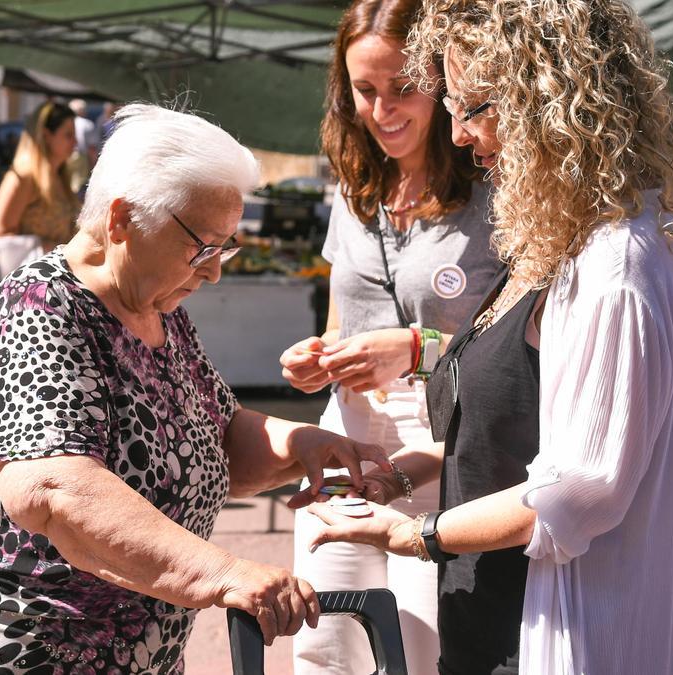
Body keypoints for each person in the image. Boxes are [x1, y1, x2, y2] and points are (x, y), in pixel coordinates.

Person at [0, 104, 392, 675]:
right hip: (12, 646)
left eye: (227, 247)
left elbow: (215, 436)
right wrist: (225, 573)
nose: (216, 270)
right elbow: (53, 487)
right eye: (204, 247)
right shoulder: (39, 308)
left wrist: (306, 446)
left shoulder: (158, 312)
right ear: (121, 219)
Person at [306, 1, 673, 673]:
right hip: (496, 615)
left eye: (475, 107)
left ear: (552, 96)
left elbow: (580, 487)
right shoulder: (568, 235)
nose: (459, 134)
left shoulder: (616, 264)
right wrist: (407, 472)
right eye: (454, 106)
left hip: (554, 628)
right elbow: (518, 426)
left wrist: (414, 532)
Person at [276, 0, 496, 672]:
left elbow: (520, 347)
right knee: (327, 644)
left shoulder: (494, 186)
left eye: (403, 89)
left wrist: (414, 348)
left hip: (450, 451)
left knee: (423, 645)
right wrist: (317, 356)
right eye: (364, 91)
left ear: (443, 80)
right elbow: (345, 317)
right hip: (348, 444)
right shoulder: (355, 185)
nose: (383, 111)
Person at [0, 101, 81, 260]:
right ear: (46, 135)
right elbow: (0, 237)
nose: (75, 142)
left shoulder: (61, 177)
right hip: (34, 278)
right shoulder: (23, 178)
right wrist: (48, 247)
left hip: (58, 275)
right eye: (68, 135)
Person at [66, 98, 101, 194]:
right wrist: (94, 164)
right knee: (79, 184)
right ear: (83, 111)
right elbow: (92, 148)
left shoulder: (65, 123)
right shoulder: (87, 124)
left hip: (66, 155)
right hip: (80, 157)